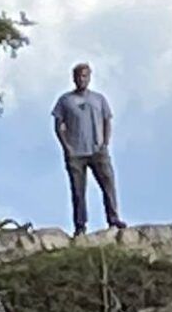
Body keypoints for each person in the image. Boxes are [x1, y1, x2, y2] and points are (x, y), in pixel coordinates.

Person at [52, 61, 124, 235]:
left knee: (108, 185)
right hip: (75, 153)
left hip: (97, 150)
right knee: (78, 191)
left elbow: (107, 119)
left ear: (89, 77)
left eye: (84, 76)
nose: (81, 79)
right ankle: (80, 226)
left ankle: (113, 219)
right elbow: (58, 124)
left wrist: (105, 143)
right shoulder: (65, 100)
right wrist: (66, 146)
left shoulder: (99, 99)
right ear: (73, 78)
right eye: (78, 76)